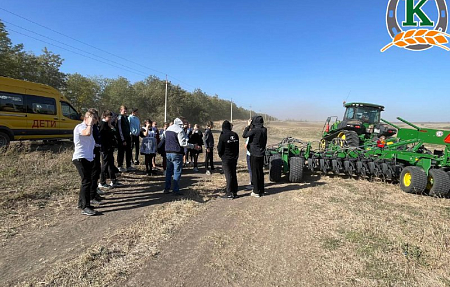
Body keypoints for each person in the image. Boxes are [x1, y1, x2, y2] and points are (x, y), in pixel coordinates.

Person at [162, 117, 200, 195]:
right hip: (176, 152)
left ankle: (167, 188)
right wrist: (193, 146)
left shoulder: (168, 129)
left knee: (169, 171)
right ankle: (175, 190)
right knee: (177, 171)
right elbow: (182, 143)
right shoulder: (179, 130)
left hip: (168, 152)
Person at [72, 110, 97, 216]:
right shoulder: (80, 127)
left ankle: (82, 203)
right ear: (87, 118)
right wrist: (90, 123)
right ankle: (85, 207)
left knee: (88, 181)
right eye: (94, 118)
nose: (95, 121)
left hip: (88, 158)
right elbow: (86, 133)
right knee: (86, 181)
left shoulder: (89, 127)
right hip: (80, 158)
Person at [243, 116, 267, 198]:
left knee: (255, 172)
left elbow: (244, 135)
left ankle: (256, 191)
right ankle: (261, 190)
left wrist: (248, 126)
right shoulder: (264, 129)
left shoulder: (254, 130)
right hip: (261, 153)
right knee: (260, 172)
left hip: (254, 153)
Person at [218, 120, 239, 199]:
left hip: (226, 158)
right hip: (234, 158)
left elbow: (220, 148)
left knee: (228, 175)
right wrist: (236, 156)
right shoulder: (235, 135)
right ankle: (235, 191)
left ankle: (229, 192)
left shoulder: (223, 136)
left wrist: (221, 156)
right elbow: (237, 147)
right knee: (233, 174)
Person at [99, 110, 119, 189]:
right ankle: (102, 182)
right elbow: (102, 138)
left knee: (111, 164)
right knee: (105, 165)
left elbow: (114, 133)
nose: (110, 119)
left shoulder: (108, 124)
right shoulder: (102, 125)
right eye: (109, 117)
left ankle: (113, 180)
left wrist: (112, 127)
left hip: (109, 147)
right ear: (104, 117)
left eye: (111, 117)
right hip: (105, 148)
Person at [87, 108, 103, 205]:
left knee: (97, 171)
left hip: (96, 151)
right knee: (93, 174)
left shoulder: (95, 126)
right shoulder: (89, 127)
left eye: (96, 117)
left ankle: (95, 192)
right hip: (92, 152)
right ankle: (91, 196)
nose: (96, 119)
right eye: (94, 117)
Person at [117, 105, 133, 172]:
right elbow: (120, 129)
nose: (125, 111)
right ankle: (120, 165)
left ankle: (128, 165)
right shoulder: (120, 118)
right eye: (124, 110)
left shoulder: (126, 117)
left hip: (128, 136)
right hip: (122, 138)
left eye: (126, 110)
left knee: (129, 151)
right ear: (121, 110)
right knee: (121, 152)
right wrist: (122, 139)